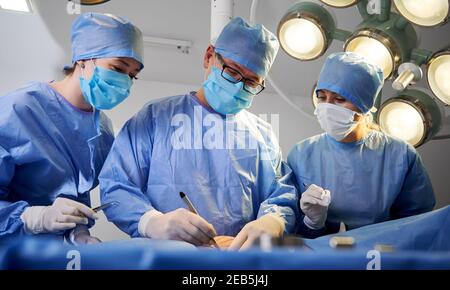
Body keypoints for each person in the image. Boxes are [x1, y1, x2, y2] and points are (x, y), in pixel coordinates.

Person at [99, 17, 298, 250]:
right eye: (232, 73)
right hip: (167, 261)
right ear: (208, 57)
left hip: (238, 263)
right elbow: (116, 185)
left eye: (251, 82)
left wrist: (273, 220)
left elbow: (281, 193)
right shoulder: (155, 118)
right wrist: (151, 221)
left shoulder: (262, 135)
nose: (238, 86)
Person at [0, 13, 144, 244]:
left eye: (133, 76)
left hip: (56, 255)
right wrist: (35, 217)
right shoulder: (19, 109)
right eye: (118, 68)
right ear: (83, 59)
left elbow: (77, 196)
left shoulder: (103, 129)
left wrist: (78, 233)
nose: (125, 82)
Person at [287, 52, 435, 238]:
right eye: (321, 97)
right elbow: (289, 229)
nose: (327, 106)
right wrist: (312, 223)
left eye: (339, 99)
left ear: (364, 105)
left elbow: (415, 226)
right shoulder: (301, 154)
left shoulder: (400, 156)